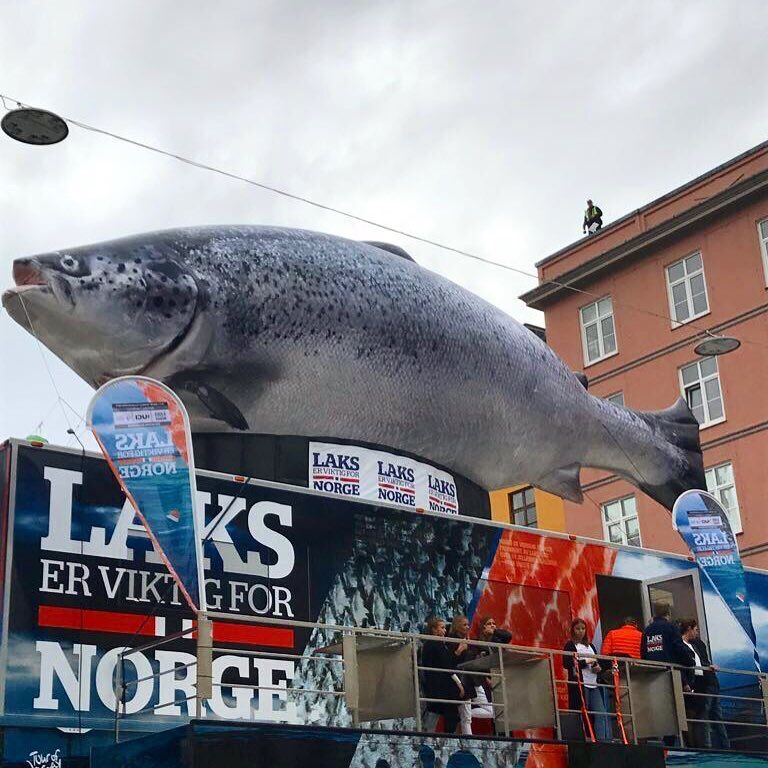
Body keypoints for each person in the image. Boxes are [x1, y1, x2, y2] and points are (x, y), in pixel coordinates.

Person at [563, 618, 611, 741]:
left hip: (593, 682)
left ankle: (601, 741)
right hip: (580, 684)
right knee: (581, 713)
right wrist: (585, 662)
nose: (581, 631)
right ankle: (581, 739)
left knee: (600, 712)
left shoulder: (591, 646)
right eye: (578, 629)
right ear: (573, 630)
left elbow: (596, 661)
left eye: (583, 629)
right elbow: (567, 663)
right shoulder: (570, 645)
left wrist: (597, 667)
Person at [463, 616, 512, 735]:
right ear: (483, 627)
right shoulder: (477, 644)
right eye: (489, 624)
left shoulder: (496, 642)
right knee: (494, 710)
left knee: (503, 710)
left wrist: (494, 631)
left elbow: (508, 636)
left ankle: (505, 735)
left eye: (494, 623)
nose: (493, 625)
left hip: (499, 680)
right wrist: (486, 678)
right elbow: (474, 664)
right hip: (485, 681)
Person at [420, 616, 464, 734]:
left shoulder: (429, 644)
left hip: (434, 685)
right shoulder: (436, 644)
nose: (445, 631)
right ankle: (448, 738)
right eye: (442, 628)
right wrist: (458, 683)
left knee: (435, 713)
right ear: (434, 630)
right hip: (441, 686)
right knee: (451, 713)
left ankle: (429, 735)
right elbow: (446, 665)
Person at [447, 615, 473, 735]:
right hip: (456, 680)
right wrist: (460, 650)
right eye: (464, 625)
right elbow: (449, 663)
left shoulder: (465, 639)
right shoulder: (451, 641)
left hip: (464, 678)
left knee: (465, 716)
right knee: (458, 716)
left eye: (468, 625)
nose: (467, 627)